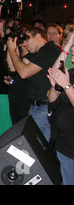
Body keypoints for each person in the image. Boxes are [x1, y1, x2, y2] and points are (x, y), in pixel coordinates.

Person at [7, 26, 61, 141]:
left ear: (38, 36)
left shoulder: (50, 50)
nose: (25, 43)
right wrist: (13, 51)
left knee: (29, 143)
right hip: (36, 106)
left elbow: (24, 73)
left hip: (44, 108)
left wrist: (11, 50)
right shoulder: (37, 53)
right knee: (34, 146)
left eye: (27, 39)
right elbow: (13, 68)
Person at [47, 32, 74, 185]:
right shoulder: (71, 73)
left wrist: (66, 86)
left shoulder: (68, 80)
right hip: (64, 144)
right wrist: (55, 88)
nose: (71, 51)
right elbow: (52, 100)